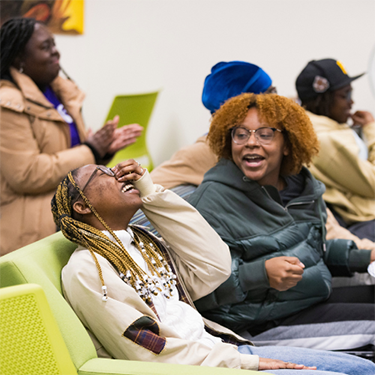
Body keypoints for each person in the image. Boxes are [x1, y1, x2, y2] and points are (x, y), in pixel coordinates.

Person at [51, 159, 375, 374]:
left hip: (224, 350)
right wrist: (248, 363)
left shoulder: (143, 244)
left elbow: (214, 266)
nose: (116, 173)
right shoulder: (87, 269)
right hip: (211, 366)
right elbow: (149, 351)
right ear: (81, 205)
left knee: (363, 369)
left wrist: (151, 192)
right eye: (101, 174)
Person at [150, 60, 375, 286]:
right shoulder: (205, 155)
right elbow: (147, 187)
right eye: (271, 94)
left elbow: (320, 227)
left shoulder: (283, 148)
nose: (283, 100)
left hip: (311, 262)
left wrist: (367, 253)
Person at [188, 92, 375, 351]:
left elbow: (311, 252)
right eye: (241, 134)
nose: (251, 142)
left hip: (309, 299)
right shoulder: (211, 202)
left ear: (288, 144)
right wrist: (261, 274)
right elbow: (195, 289)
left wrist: (365, 257)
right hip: (259, 325)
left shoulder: (301, 189)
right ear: (228, 143)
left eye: (265, 134)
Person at [0, 17, 143, 255]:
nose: (56, 52)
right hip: (32, 225)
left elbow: (71, 152)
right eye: (45, 47)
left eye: (54, 44)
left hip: (69, 206)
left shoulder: (59, 92)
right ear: (19, 58)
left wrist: (102, 151)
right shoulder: (8, 104)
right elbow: (26, 174)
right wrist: (91, 149)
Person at [296, 58, 375, 243]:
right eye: (345, 95)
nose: (351, 102)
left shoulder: (324, 128)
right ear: (323, 99)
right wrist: (371, 129)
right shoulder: (324, 140)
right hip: (362, 224)